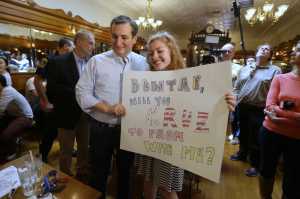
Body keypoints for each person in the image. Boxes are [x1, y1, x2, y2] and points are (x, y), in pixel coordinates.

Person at [134, 32, 236, 199]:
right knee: (148, 180)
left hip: (172, 142)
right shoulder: (145, 79)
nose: (155, 56)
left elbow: (205, 104)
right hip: (148, 139)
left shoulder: (189, 79)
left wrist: (225, 102)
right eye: (151, 53)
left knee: (167, 188)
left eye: (160, 51)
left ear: (171, 51)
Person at [75, 15, 149, 199]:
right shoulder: (96, 61)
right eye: (114, 36)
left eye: (124, 37)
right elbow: (82, 93)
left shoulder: (144, 64)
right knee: (98, 174)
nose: (118, 42)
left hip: (131, 131)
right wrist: (108, 109)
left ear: (134, 38)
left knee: (126, 174)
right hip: (101, 129)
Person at [47, 30, 95, 179]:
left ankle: (82, 173)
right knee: (66, 150)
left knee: (84, 148)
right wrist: (79, 92)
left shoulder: (93, 62)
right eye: (91, 43)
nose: (93, 47)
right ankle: (65, 177)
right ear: (79, 42)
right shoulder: (57, 62)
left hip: (86, 114)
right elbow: (52, 90)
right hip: (66, 114)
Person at [230, 44, 281, 177]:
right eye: (261, 48)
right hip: (242, 105)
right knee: (243, 132)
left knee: (255, 137)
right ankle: (242, 153)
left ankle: (255, 164)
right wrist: (234, 101)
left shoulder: (275, 70)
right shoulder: (245, 69)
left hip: (259, 108)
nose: (264, 50)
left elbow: (276, 92)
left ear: (270, 55)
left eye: (267, 49)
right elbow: (236, 88)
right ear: (257, 52)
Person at [259, 41, 300, 199]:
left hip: (297, 139)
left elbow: (276, 110)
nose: (292, 52)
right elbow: (270, 105)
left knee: (293, 178)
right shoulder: (280, 78)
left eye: (298, 50)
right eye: (294, 49)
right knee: (266, 170)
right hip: (270, 131)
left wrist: (280, 115)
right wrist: (297, 117)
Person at [34, 38, 74, 162]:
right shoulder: (48, 60)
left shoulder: (71, 61)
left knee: (68, 131)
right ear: (63, 47)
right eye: (69, 49)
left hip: (68, 103)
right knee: (50, 131)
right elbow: (37, 80)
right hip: (54, 102)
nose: (71, 52)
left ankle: (68, 150)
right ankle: (42, 156)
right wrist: (45, 101)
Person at [0, 74, 33, 161]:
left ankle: (12, 151)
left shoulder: (7, 91)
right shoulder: (3, 90)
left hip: (25, 117)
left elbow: (0, 109)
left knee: (5, 135)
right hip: (14, 115)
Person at [221, 43, 242, 145]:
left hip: (232, 98)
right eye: (224, 51)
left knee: (233, 119)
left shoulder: (239, 68)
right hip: (217, 98)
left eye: (229, 51)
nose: (226, 53)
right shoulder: (214, 66)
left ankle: (234, 135)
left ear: (233, 53)